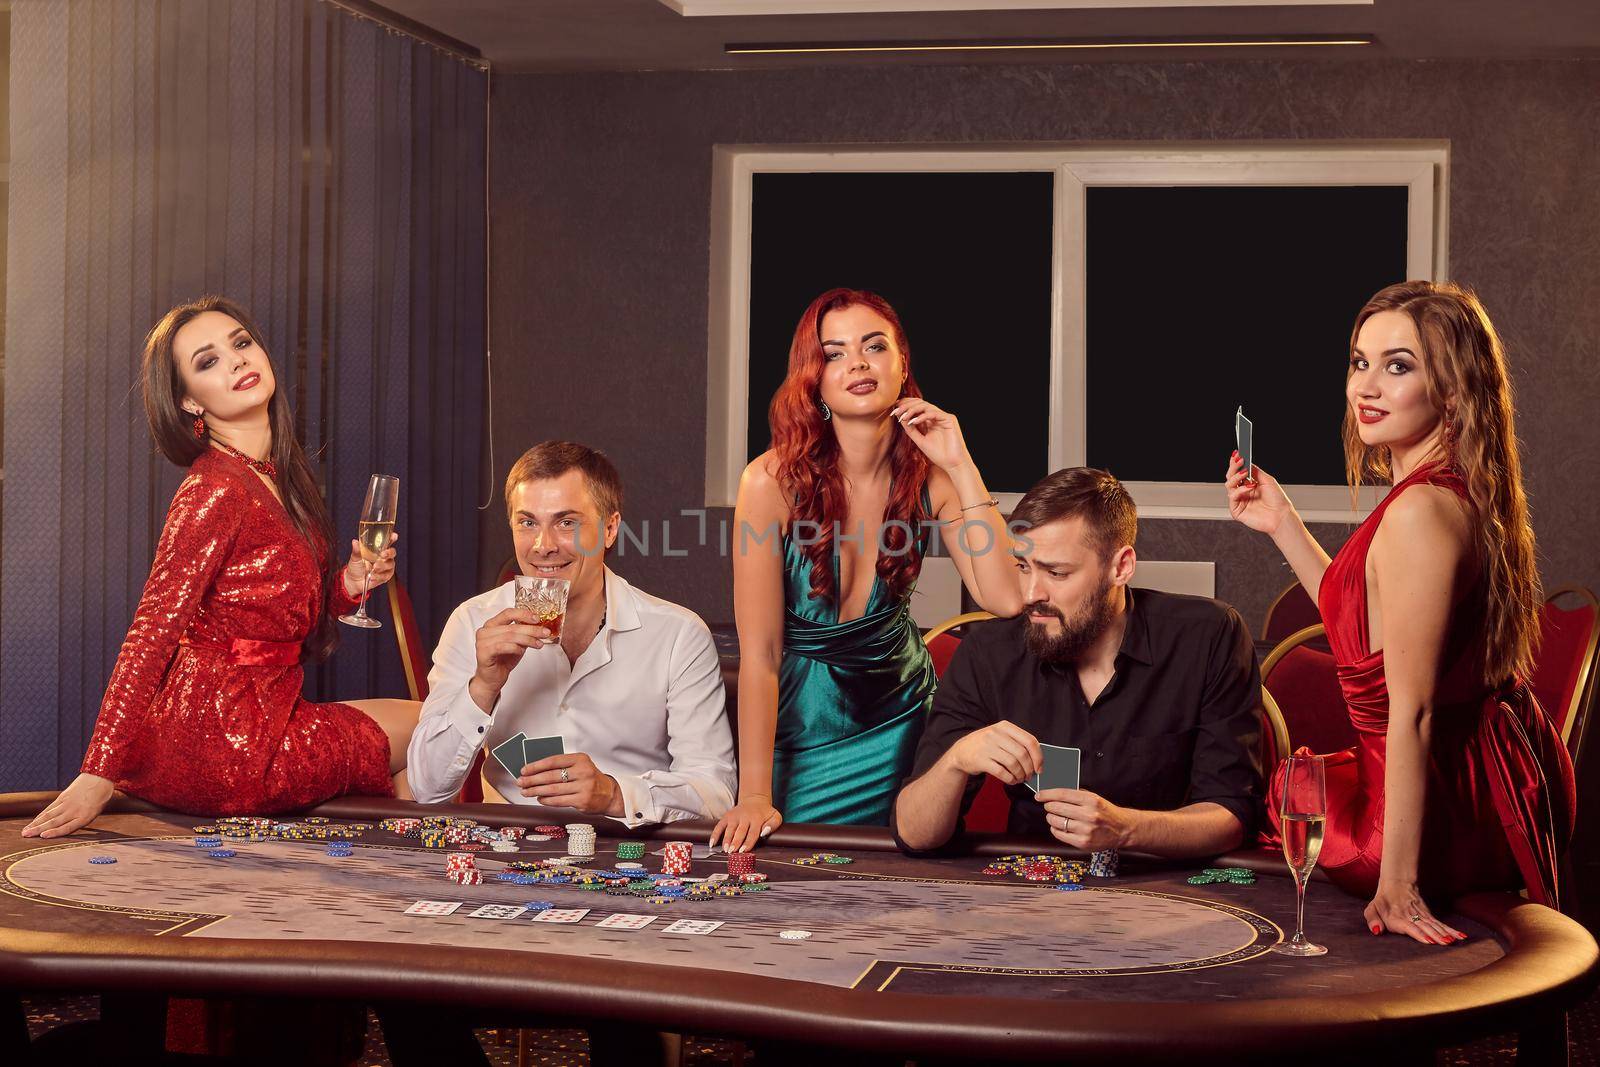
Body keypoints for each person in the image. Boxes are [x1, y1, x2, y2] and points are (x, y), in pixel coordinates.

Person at [1225, 280, 1576, 944]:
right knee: (1296, 787)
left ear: (1452, 388)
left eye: (1398, 365)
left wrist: (1398, 884)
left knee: (1286, 792)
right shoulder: (1438, 491)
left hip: (1443, 809)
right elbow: (1368, 635)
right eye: (1360, 361)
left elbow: (1409, 710)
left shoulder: (1419, 512)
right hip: (1474, 778)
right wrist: (1283, 523)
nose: (1367, 385)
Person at [23, 296, 419, 839]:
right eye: (207, 361)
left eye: (240, 344)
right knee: (431, 724)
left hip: (253, 717)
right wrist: (98, 771)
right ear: (188, 401)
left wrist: (348, 586)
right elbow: (152, 631)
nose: (235, 361)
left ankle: (376, 888)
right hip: (225, 738)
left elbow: (271, 615)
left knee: (426, 734)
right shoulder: (214, 488)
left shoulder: (271, 478)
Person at [712, 289, 1025, 851]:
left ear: (902, 363)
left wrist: (962, 461)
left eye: (874, 346)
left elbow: (1004, 597)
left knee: (898, 895)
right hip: (805, 726)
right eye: (834, 353)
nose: (857, 363)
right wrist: (755, 793)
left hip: (905, 718)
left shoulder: (933, 476)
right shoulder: (769, 482)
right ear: (814, 380)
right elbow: (758, 653)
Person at [893, 467, 1261, 856]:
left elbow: (1233, 814)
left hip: (1166, 886)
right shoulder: (988, 651)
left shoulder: (1208, 636)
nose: (1031, 593)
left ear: (1121, 567)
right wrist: (956, 760)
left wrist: (1126, 829)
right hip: (1029, 889)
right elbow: (915, 835)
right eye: (1023, 567)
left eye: (1057, 572)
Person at [407, 441, 736, 824]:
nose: (544, 546)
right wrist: (483, 685)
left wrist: (613, 794)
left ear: (610, 529)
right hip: (513, 852)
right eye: (527, 522)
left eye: (567, 523)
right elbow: (427, 789)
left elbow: (716, 795)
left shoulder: (679, 635)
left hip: (633, 855)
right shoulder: (471, 622)